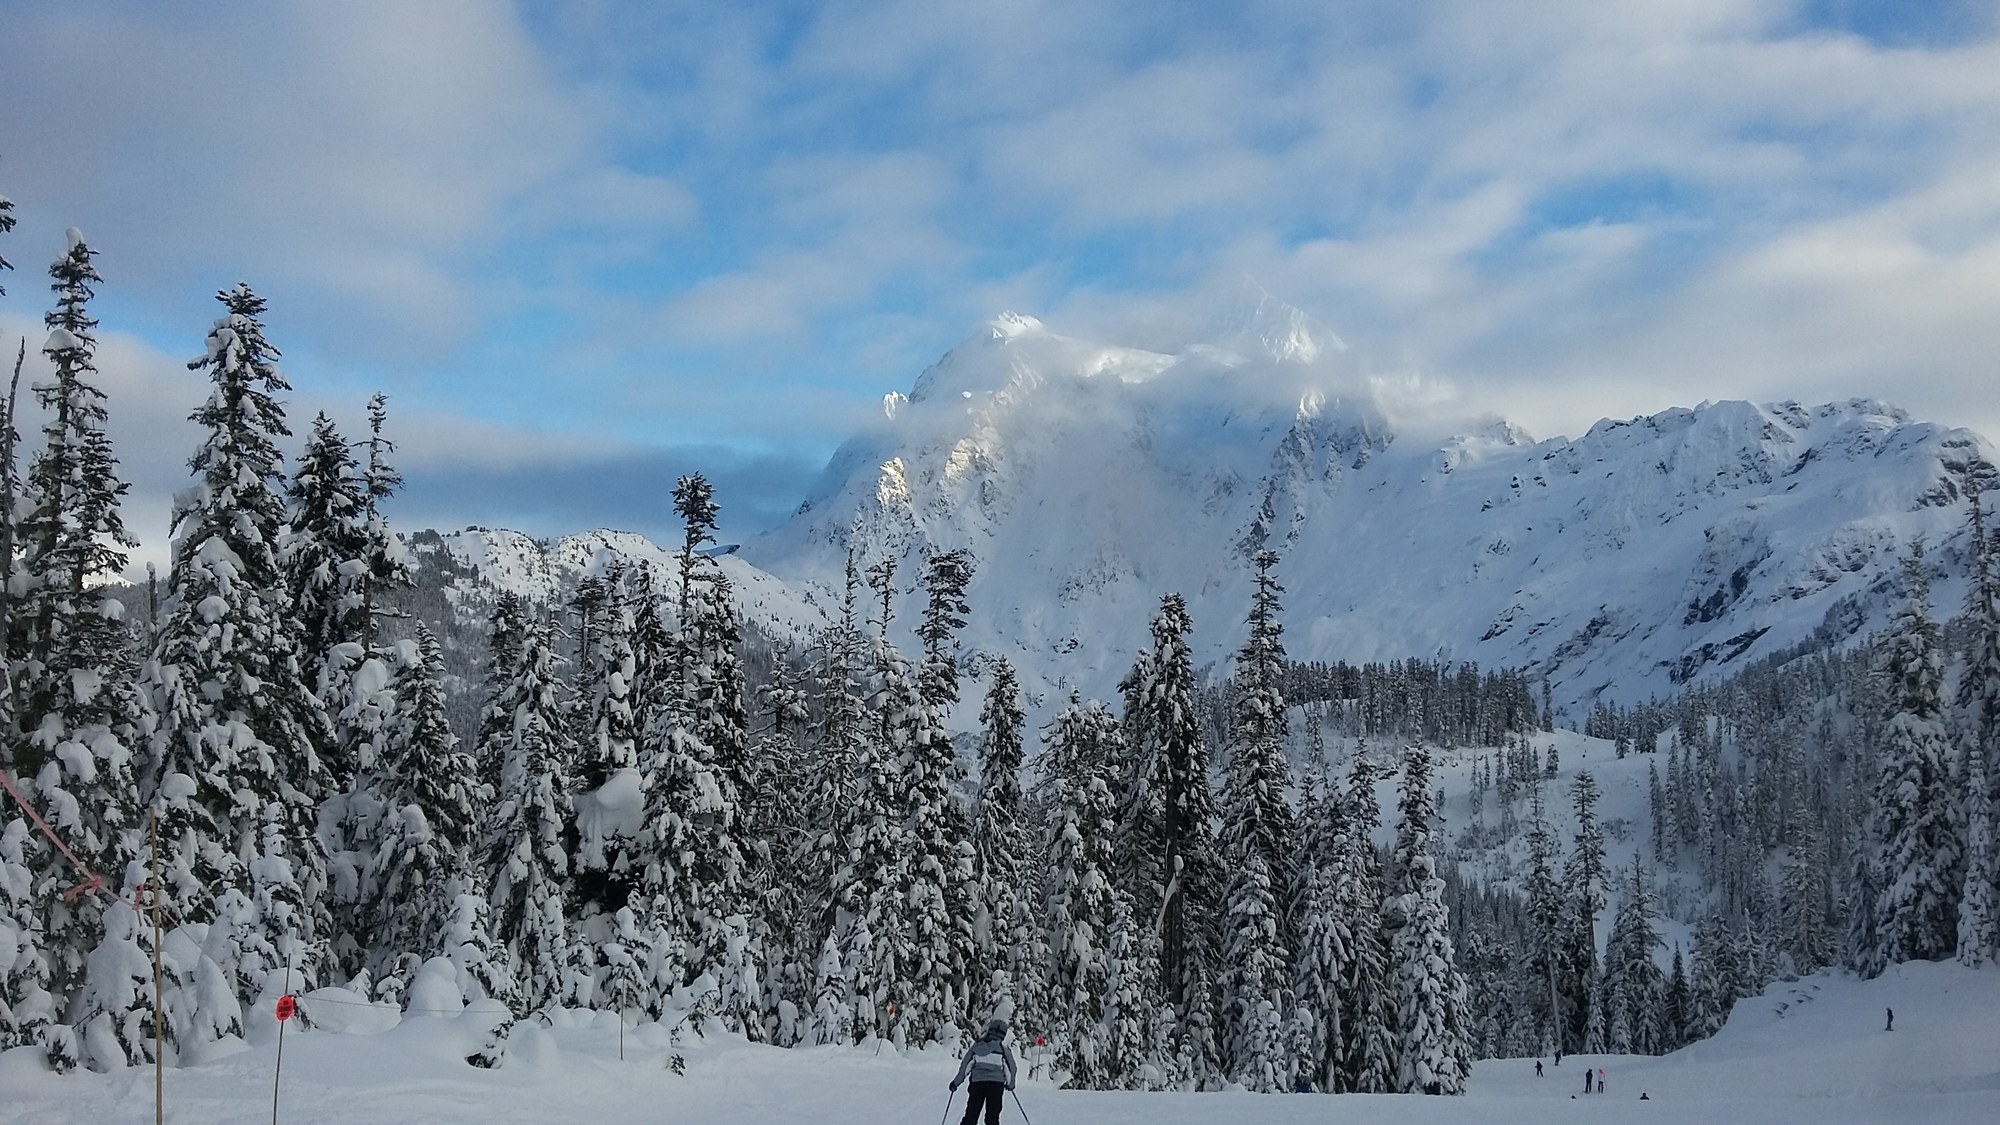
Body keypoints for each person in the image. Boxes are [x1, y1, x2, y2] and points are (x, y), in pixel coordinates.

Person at [949, 1018, 1019, 1125]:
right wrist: (1010, 1084)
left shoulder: (977, 1047)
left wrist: (956, 1083)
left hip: (977, 1084)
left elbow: (965, 1067)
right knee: (992, 1118)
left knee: (971, 1115)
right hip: (996, 1086)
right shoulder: (1003, 1050)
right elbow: (1011, 1068)